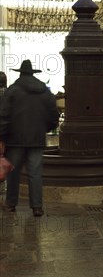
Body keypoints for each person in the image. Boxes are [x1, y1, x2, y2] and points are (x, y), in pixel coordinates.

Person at [0, 60, 59, 216]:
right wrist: (45, 129)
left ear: (20, 73)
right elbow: (54, 114)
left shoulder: (12, 90)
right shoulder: (45, 91)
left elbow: (4, 116)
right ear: (33, 73)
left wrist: (2, 136)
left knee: (13, 172)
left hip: (15, 140)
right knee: (35, 173)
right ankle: (37, 207)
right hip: (37, 139)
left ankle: (11, 204)